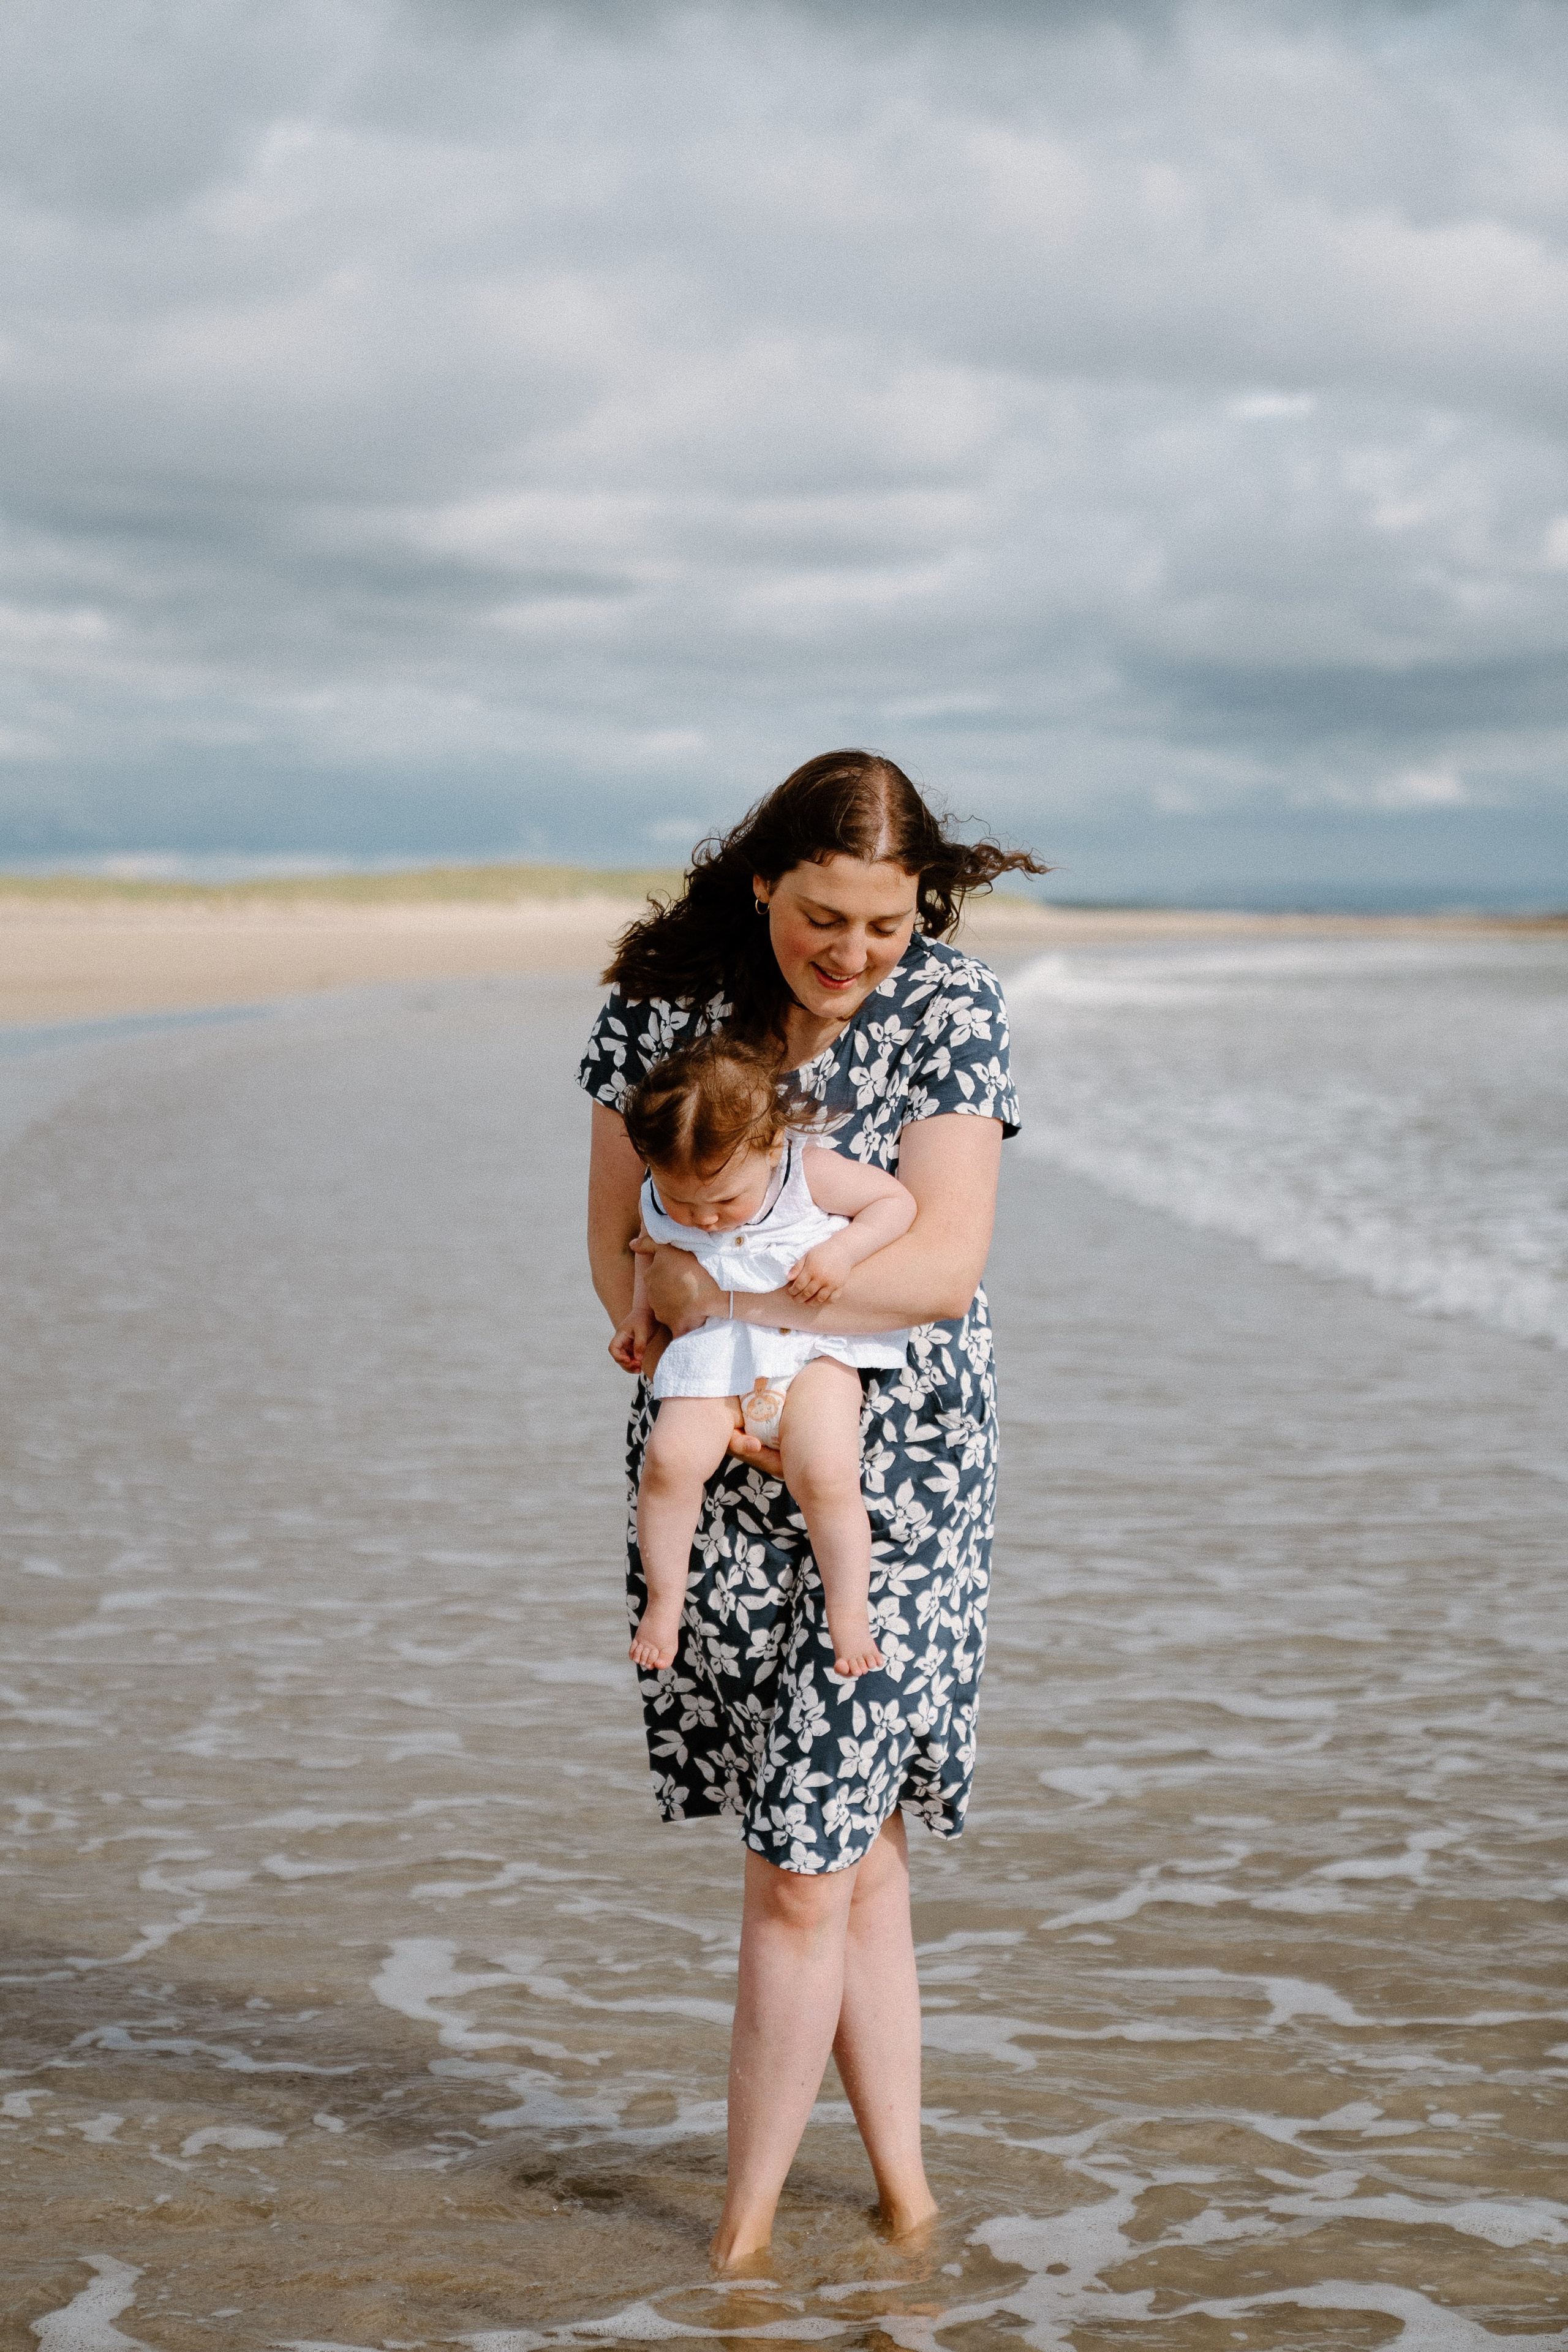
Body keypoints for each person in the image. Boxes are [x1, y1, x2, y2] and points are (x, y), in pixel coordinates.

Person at [580, 748, 1041, 2267]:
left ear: (924, 912)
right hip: (710, 1459)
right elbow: (617, 1254)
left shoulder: (953, 1009)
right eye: (820, 918)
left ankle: (741, 2236)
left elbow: (941, 1266)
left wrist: (738, 1306)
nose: (851, 956)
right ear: (764, 878)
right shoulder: (662, 1009)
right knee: (844, 1852)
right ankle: (905, 2202)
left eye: (886, 927)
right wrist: (716, 1344)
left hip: (896, 1472)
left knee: (805, 1863)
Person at [612, 1033, 918, 1679]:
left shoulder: (806, 1172)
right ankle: (664, 1603)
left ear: (772, 1146)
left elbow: (895, 1203)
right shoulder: (660, 1193)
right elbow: (648, 1248)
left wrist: (842, 1252)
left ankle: (849, 1612)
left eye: (724, 1201)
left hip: (811, 1350)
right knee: (668, 1464)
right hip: (714, 1352)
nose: (705, 1221)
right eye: (682, 1202)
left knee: (827, 1475)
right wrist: (639, 1315)